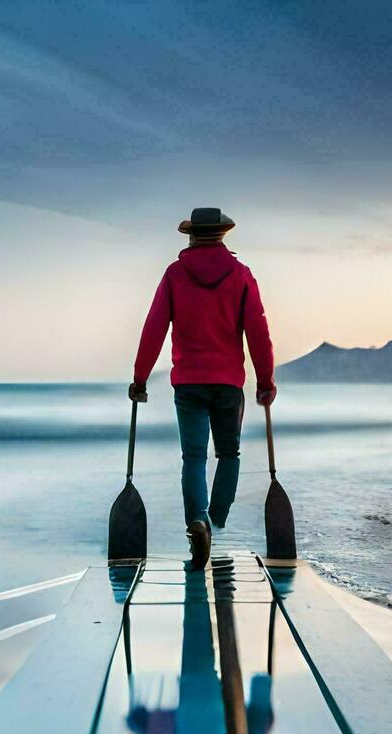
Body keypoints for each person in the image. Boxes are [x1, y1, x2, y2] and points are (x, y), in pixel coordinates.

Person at [130, 207, 276, 569]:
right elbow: (258, 332)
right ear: (223, 235)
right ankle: (217, 519)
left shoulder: (175, 275)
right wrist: (265, 380)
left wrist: (140, 377)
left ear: (192, 236)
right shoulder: (241, 276)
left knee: (193, 458)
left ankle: (199, 520)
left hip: (189, 383)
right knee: (229, 455)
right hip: (228, 384)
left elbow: (154, 328)